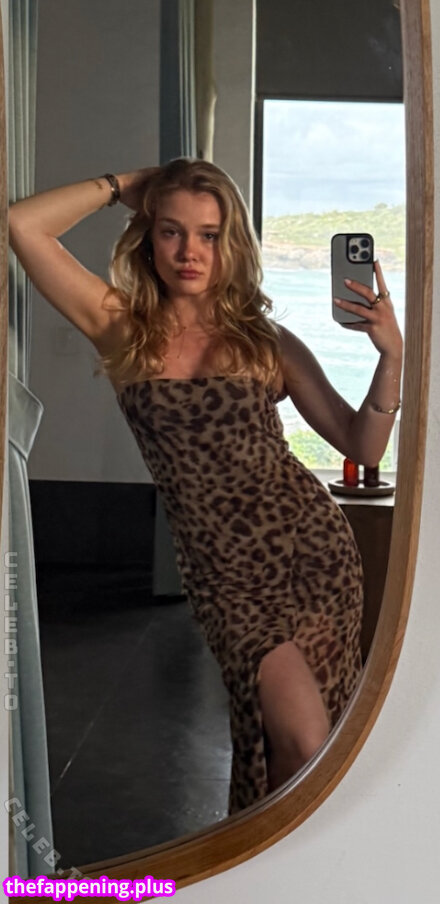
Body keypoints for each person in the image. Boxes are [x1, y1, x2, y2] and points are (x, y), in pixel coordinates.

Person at [8, 157, 403, 815]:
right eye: (172, 231)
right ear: (148, 236)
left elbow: (362, 445)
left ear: (232, 244)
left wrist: (391, 354)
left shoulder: (266, 341)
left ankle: (285, 862)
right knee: (302, 741)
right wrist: (124, 186)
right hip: (225, 578)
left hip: (314, 559)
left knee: (307, 747)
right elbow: (23, 226)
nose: (189, 251)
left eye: (210, 235)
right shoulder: (122, 327)